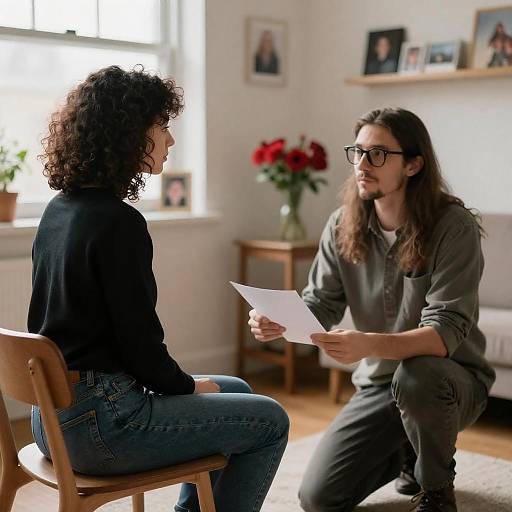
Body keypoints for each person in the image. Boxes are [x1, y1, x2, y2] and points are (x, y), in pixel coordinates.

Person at [29, 65, 289, 512]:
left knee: (237, 389)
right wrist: (186, 386)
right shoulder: (118, 222)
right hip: (103, 427)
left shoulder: (59, 210)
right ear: (128, 132)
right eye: (162, 126)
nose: (169, 140)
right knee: (271, 419)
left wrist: (191, 387)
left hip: (49, 420)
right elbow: (141, 347)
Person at [248, 108, 495, 512]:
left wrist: (366, 344)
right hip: (380, 385)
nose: (362, 165)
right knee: (319, 499)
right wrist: (278, 319)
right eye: (358, 152)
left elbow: (444, 333)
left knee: (417, 375)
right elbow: (320, 302)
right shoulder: (342, 224)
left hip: (451, 382)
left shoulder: (454, 226)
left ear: (414, 164)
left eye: (377, 154)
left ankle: (436, 490)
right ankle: (407, 453)